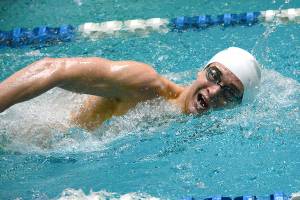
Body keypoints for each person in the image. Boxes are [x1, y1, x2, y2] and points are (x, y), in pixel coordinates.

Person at [0, 47, 261, 130]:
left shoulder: (206, 131)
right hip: (33, 133)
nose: (214, 91)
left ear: (237, 107)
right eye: (214, 75)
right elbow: (54, 68)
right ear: (201, 70)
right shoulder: (145, 85)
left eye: (229, 93)